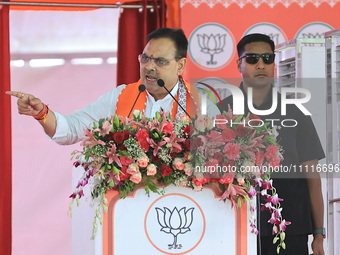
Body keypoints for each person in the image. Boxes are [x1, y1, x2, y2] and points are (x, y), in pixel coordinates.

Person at [7, 27, 220, 145]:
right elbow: (72, 129)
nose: (149, 67)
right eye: (145, 59)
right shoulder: (122, 96)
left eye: (160, 61)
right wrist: (42, 113)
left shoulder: (200, 103)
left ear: (180, 65)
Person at [217, 34, 325, 255]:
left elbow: (313, 180)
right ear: (239, 63)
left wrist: (318, 235)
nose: (261, 65)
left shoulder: (296, 113)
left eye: (267, 58)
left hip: (289, 228)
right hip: (234, 227)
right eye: (253, 58)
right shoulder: (220, 112)